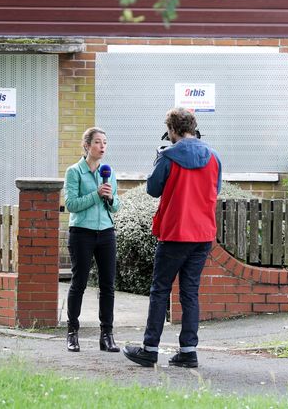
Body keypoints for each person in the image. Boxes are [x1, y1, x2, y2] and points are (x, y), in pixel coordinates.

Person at [123, 108, 221, 368]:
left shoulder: (168, 156)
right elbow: (215, 189)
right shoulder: (214, 157)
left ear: (173, 130)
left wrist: (158, 161)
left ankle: (149, 349)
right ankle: (188, 351)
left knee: (160, 290)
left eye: (169, 130)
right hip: (202, 234)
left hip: (176, 232)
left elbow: (153, 189)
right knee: (190, 292)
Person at [63, 127, 121, 353]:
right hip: (81, 233)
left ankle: (107, 335)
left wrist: (110, 197)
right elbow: (72, 204)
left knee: (108, 286)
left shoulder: (109, 172)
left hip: (106, 233)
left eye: (105, 142)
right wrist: (95, 194)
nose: (103, 146)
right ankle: (72, 333)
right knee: (79, 283)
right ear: (87, 146)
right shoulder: (74, 172)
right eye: (98, 142)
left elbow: (116, 206)